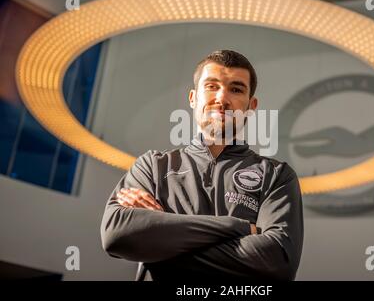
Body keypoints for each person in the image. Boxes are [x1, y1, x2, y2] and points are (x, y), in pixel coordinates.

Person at [100, 50, 304, 281]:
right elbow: (117, 235)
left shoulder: (276, 176)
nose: (222, 99)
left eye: (236, 89)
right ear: (193, 98)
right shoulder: (153, 167)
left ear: (251, 105)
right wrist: (237, 227)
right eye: (211, 86)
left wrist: (160, 244)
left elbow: (277, 264)